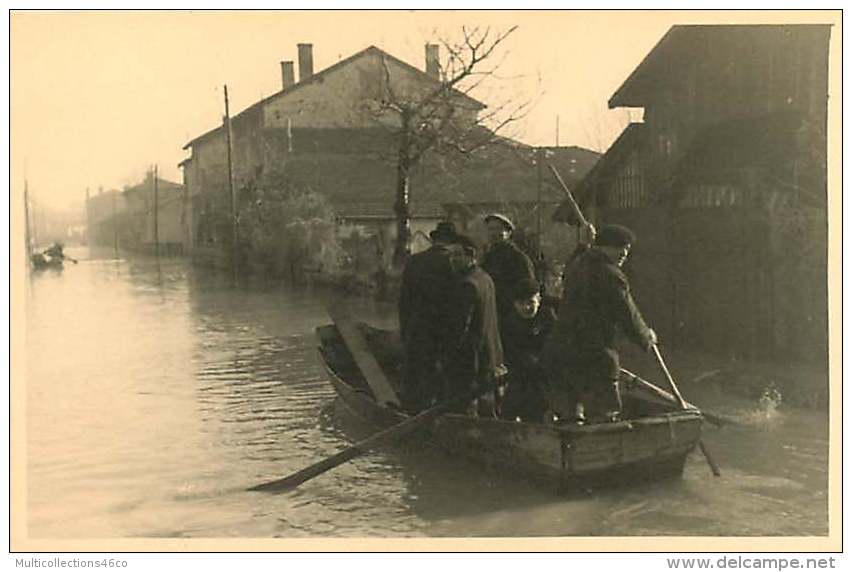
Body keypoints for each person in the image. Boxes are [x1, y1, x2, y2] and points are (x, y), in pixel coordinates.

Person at [542, 224, 657, 424]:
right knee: (604, 412)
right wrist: (646, 337)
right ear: (603, 247)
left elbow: (569, 266)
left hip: (564, 351)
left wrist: (582, 245)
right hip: (596, 354)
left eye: (627, 249)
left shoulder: (578, 264)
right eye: (618, 247)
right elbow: (627, 313)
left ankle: (571, 444)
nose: (624, 253)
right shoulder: (610, 275)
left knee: (571, 411)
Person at [397, 221, 459, 412]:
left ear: (434, 240)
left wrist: (406, 330)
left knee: (417, 372)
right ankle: (440, 413)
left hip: (418, 327)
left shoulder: (414, 262)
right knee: (441, 375)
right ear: (452, 242)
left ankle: (412, 410)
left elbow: (404, 302)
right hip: (445, 331)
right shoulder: (455, 264)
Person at [442, 235, 506, 417]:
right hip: (490, 357)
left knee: (464, 410)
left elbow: (459, 329)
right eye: (450, 255)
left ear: (471, 257)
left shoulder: (466, 285)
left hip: (470, 362)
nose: (452, 260)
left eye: (457, 255)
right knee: (488, 409)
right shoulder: (485, 278)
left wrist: (446, 357)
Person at [499, 278, 557, 422]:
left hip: (543, 383)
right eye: (521, 303)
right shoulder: (509, 324)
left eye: (531, 302)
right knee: (507, 417)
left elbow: (555, 345)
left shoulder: (548, 318)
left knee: (539, 418)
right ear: (514, 304)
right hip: (518, 380)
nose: (526, 308)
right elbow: (509, 353)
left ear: (539, 299)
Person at [480, 213, 536, 325]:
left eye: (498, 229)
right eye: (491, 229)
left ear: (508, 233)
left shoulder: (517, 257)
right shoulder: (486, 257)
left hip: (510, 314)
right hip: (490, 311)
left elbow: (528, 288)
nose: (494, 233)